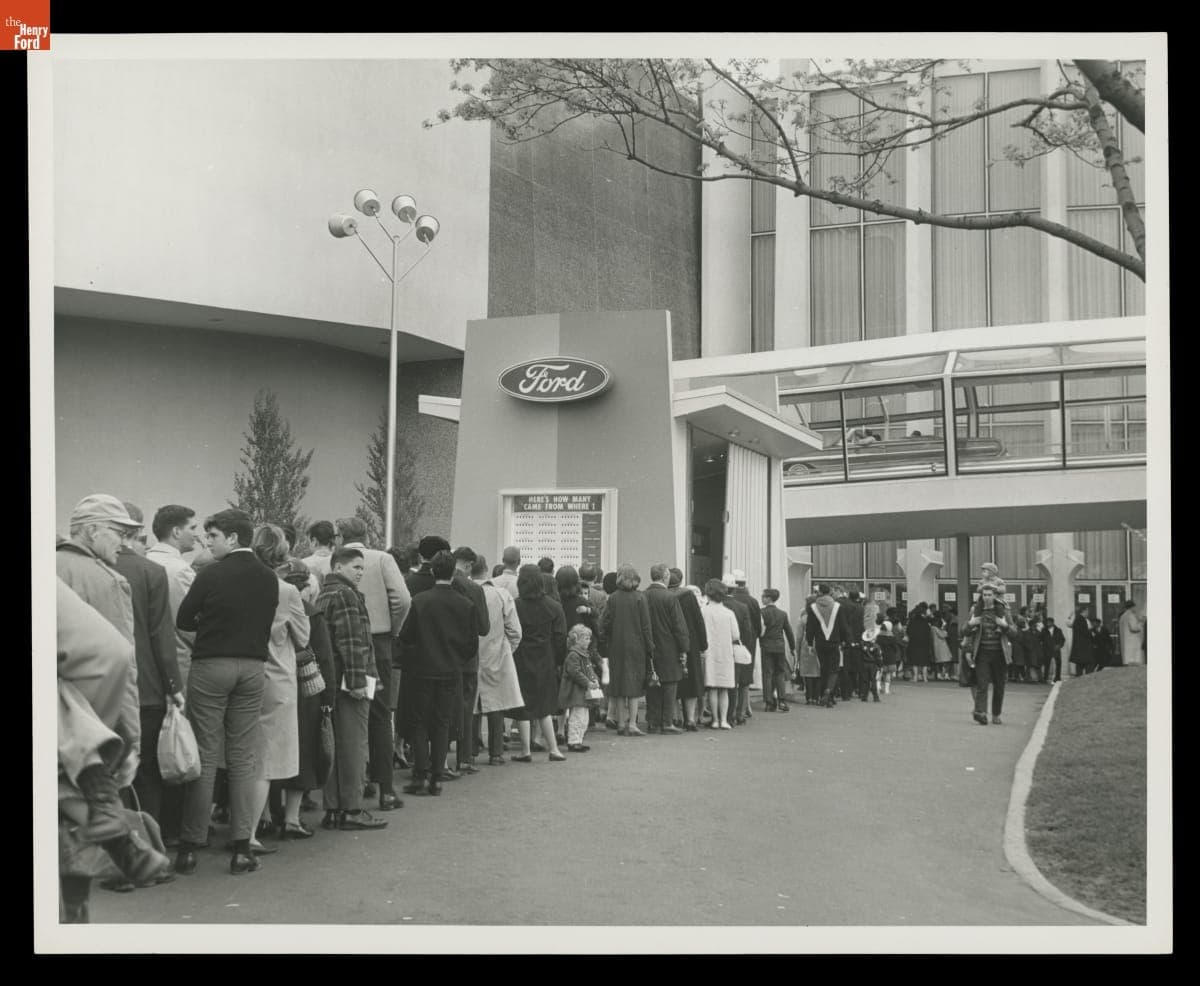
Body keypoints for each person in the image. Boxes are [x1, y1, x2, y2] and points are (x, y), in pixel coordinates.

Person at [57, 577, 171, 921]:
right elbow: (115, 651)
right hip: (93, 722)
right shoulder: (92, 574)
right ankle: (113, 823)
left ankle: (111, 822)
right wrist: (122, 734)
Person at [173, 509, 279, 876]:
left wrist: (209, 630)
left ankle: (190, 846)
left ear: (232, 538)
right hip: (252, 669)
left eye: (213, 536)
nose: (209, 543)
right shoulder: (269, 578)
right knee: (242, 756)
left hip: (211, 666)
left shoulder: (210, 574)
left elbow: (184, 620)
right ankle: (241, 847)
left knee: (204, 753)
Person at [112, 507, 184, 854]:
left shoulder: (90, 569)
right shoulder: (151, 572)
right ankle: (152, 850)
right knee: (148, 772)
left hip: (100, 690)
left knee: (111, 773)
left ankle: (120, 852)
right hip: (148, 688)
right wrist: (174, 686)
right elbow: (161, 636)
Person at [335, 518, 410, 811]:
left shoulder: (335, 561)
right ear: (366, 535)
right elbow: (403, 599)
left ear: (340, 537)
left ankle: (355, 781)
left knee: (348, 714)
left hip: (342, 643)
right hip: (378, 643)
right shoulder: (382, 559)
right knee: (380, 716)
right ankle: (386, 789)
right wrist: (393, 628)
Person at [399, 550, 484, 793]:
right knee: (442, 722)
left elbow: (406, 636)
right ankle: (437, 774)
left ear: (434, 571)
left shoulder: (421, 601)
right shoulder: (465, 605)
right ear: (453, 573)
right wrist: (456, 658)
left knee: (419, 722)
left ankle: (420, 774)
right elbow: (471, 644)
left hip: (422, 669)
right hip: (450, 670)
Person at [315, 547, 387, 830]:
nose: (360, 572)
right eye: (355, 567)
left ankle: (333, 808)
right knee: (355, 746)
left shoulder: (324, 594)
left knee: (335, 746)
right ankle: (353, 809)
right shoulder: (346, 595)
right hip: (352, 681)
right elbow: (351, 642)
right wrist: (359, 682)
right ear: (338, 567)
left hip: (332, 680)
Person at [245, 525, 307, 853]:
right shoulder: (287, 591)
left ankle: (254, 820)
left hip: (245, 671)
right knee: (266, 760)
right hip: (277, 676)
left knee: (244, 753)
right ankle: (251, 832)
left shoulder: (241, 582)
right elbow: (304, 635)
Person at [276, 559, 336, 839]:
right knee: (304, 751)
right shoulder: (312, 614)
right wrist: (328, 698)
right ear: (307, 586)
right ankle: (291, 818)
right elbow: (325, 657)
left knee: (272, 750)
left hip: (273, 684)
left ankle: (265, 815)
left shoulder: (269, 608)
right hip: (306, 689)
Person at [56, 494, 140, 644]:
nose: (123, 542)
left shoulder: (44, 566)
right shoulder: (110, 581)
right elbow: (120, 655)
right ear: (93, 531)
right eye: (120, 533)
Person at [508, 564, 568, 759]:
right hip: (545, 659)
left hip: (521, 658)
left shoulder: (515, 605)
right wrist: (557, 660)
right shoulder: (554, 606)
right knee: (544, 706)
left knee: (524, 705)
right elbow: (560, 638)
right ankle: (554, 749)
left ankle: (525, 751)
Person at [470, 555, 523, 766]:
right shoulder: (501, 595)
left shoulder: (464, 591)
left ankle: (470, 750)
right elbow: (515, 631)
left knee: (471, 704)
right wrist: (506, 649)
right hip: (497, 653)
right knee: (496, 705)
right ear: (486, 569)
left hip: (471, 655)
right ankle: (496, 753)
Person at [145, 505, 200, 694]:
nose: (197, 534)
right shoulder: (180, 570)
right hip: (179, 663)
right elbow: (188, 624)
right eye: (192, 528)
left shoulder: (145, 561)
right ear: (176, 532)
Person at [600, 563, 656, 737]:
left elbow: (604, 623)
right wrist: (650, 647)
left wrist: (606, 641)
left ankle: (620, 723)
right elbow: (646, 626)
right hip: (636, 647)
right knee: (633, 687)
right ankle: (632, 724)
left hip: (616, 647)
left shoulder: (613, 598)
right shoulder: (640, 598)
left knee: (617, 686)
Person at [450, 546, 491, 775]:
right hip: (467, 657)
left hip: (440, 655)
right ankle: (464, 757)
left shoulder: (437, 584)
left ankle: (434, 757)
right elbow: (484, 628)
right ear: (468, 565)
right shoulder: (474, 589)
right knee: (466, 707)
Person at [643, 563, 690, 734]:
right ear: (664, 576)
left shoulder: (644, 595)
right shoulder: (670, 598)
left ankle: (653, 722)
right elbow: (679, 626)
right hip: (669, 647)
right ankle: (667, 722)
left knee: (652, 684)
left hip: (649, 647)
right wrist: (684, 648)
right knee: (670, 684)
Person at [962, 584, 1017, 725]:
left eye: (989, 595)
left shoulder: (1003, 610)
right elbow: (964, 632)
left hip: (1000, 653)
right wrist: (971, 623)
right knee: (982, 684)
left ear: (995, 595)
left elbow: (1014, 632)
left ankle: (996, 713)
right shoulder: (976, 610)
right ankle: (981, 713)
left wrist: (1004, 625)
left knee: (999, 685)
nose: (987, 597)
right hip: (982, 653)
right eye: (984, 595)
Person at [670, 568, 708, 730]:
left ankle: (674, 716)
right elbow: (698, 620)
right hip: (691, 644)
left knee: (672, 682)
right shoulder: (689, 596)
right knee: (691, 682)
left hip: (670, 644)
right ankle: (690, 719)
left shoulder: (665, 596)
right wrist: (703, 643)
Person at [699, 579, 739, 729]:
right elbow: (736, 635)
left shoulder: (703, 611)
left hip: (709, 652)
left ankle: (714, 720)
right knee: (724, 689)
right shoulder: (729, 613)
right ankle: (724, 720)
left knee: (712, 688)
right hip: (726, 653)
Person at [804, 584, 852, 708]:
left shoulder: (813, 607)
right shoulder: (837, 607)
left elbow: (810, 627)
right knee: (834, 669)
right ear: (829, 592)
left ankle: (825, 697)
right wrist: (846, 640)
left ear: (819, 593)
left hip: (820, 642)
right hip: (834, 641)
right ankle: (829, 692)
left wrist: (809, 643)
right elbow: (843, 625)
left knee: (824, 669)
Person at [558, 625, 601, 752]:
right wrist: (589, 682)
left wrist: (595, 680)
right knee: (577, 717)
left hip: (582, 692)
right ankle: (573, 741)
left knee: (584, 718)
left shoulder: (584, 655)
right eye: (586, 638)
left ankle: (579, 739)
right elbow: (575, 672)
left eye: (589, 638)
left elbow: (589, 670)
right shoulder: (574, 655)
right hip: (576, 692)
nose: (589, 641)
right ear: (577, 639)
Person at [729, 571, 762, 723]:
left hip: (729, 644)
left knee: (730, 679)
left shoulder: (726, 601)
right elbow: (757, 626)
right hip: (747, 645)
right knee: (744, 681)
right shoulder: (752, 601)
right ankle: (740, 712)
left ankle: (729, 710)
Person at [720, 574, 754, 724]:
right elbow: (748, 632)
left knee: (720, 683)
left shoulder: (716, 605)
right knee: (736, 681)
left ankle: (721, 715)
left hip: (720, 648)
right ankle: (734, 714)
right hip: (736, 646)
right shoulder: (743, 607)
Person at [759, 588, 795, 712]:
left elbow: (760, 630)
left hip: (766, 646)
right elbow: (789, 632)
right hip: (780, 646)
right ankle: (782, 701)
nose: (762, 598)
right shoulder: (782, 614)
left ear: (769, 598)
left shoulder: (762, 612)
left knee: (767, 674)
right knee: (779, 674)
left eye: (763, 596)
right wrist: (793, 647)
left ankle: (769, 702)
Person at [795, 596, 822, 704]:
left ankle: (809, 697)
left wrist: (797, 649)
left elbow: (798, 636)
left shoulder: (804, 617)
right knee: (818, 671)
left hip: (806, 645)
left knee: (807, 672)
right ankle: (817, 696)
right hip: (819, 644)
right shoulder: (822, 617)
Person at [905, 602, 934, 683]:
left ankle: (915, 677)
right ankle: (925, 678)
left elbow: (908, 631)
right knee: (924, 659)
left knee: (915, 659)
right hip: (925, 642)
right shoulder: (926, 622)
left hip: (914, 642)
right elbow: (929, 631)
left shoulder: (912, 622)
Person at [876, 611, 899, 695]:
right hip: (890, 657)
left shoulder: (878, 636)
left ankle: (878, 687)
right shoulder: (892, 637)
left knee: (880, 672)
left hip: (880, 656)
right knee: (888, 674)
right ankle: (886, 690)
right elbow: (895, 648)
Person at [1069, 605, 1095, 676]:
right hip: (1084, 649)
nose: (1088, 613)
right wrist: (1092, 633)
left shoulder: (1077, 620)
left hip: (1079, 650)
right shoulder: (1082, 620)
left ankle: (1079, 682)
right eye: (1087, 611)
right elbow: (1085, 633)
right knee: (1088, 666)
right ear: (1084, 611)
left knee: (1079, 667)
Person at [1118, 601, 1144, 666]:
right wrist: (1141, 623)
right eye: (1135, 607)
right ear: (1132, 607)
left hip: (1126, 645)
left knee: (1127, 663)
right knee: (1134, 665)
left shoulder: (1122, 616)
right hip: (1132, 644)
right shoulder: (1131, 615)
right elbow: (1134, 628)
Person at [930, 612, 953, 683]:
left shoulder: (933, 628)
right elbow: (943, 635)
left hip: (938, 646)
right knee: (947, 660)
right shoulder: (935, 629)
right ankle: (944, 674)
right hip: (941, 646)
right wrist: (944, 629)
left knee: (939, 661)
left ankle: (941, 674)